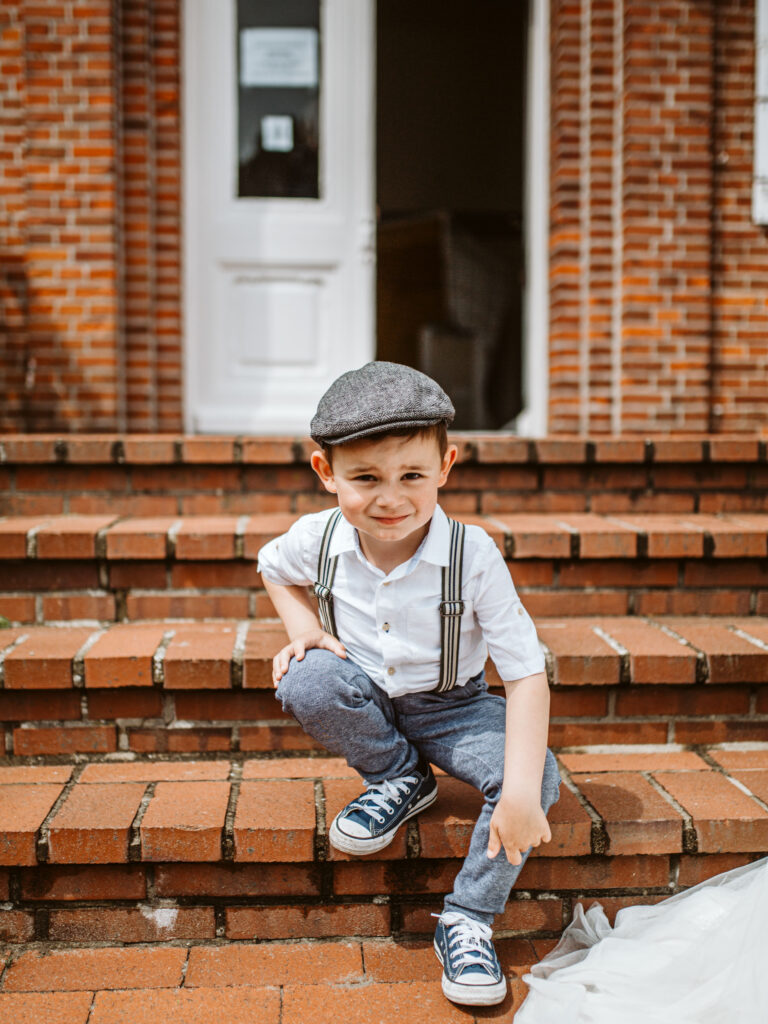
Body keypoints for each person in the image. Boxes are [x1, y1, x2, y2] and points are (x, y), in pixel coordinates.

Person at [257, 361, 561, 1007]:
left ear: (446, 466)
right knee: (307, 680)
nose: (390, 499)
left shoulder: (473, 554)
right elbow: (272, 568)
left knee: (537, 778)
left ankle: (468, 918)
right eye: (365, 478)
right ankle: (399, 776)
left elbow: (527, 673)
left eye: (412, 476)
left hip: (456, 708)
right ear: (325, 472)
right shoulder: (317, 538)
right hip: (365, 698)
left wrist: (521, 796)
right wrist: (304, 626)